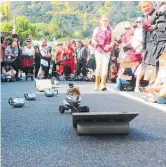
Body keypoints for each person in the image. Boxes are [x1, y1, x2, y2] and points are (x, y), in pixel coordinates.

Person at [92, 15, 115, 91]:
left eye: (106, 21)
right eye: (103, 20)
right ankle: (97, 84)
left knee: (105, 66)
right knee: (99, 66)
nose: (105, 22)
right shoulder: (97, 29)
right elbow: (93, 39)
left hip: (107, 50)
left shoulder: (111, 30)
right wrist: (95, 43)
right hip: (98, 50)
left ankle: (103, 84)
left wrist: (110, 46)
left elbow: (113, 41)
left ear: (108, 22)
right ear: (100, 21)